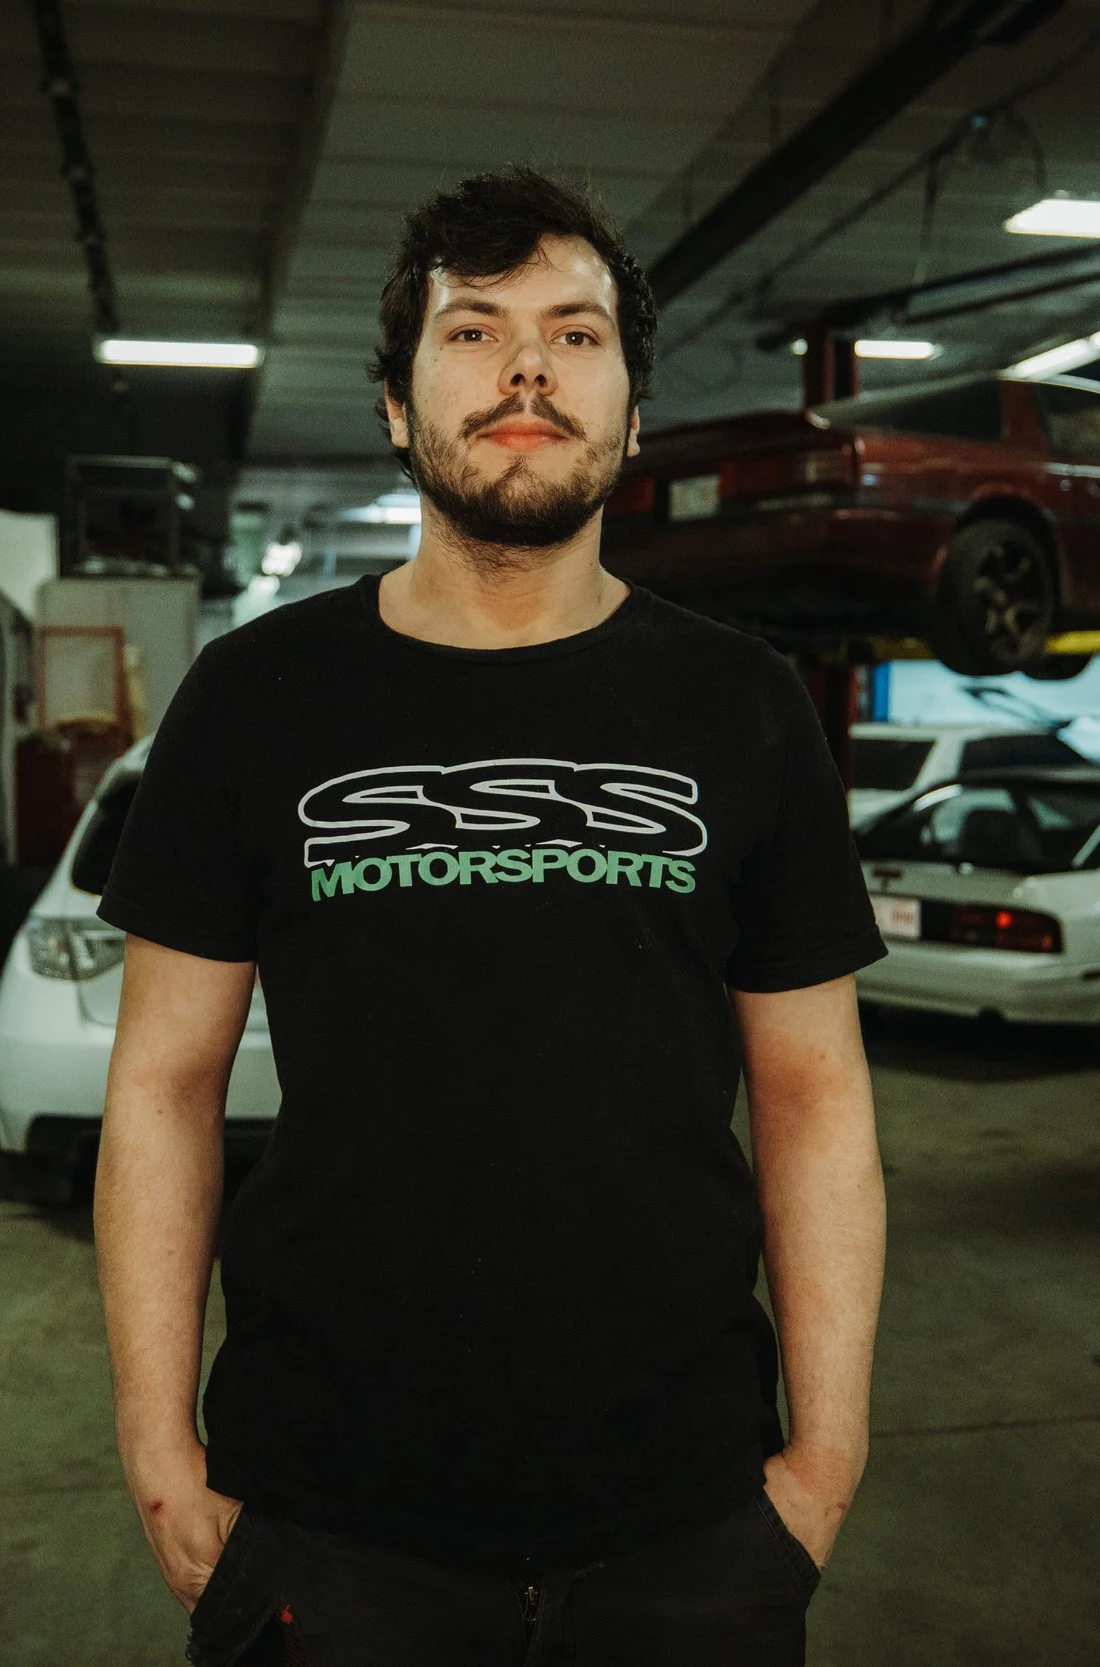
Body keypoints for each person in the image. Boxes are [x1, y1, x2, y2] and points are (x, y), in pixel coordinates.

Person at [95, 167, 888, 1667]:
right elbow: (161, 1082)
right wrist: (160, 1458)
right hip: (324, 1521)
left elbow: (813, 1089)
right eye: (473, 330)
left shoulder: (744, 704)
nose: (527, 367)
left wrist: (824, 1461)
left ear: (636, 414)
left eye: (576, 335)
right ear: (398, 406)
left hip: (692, 1522)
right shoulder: (255, 699)